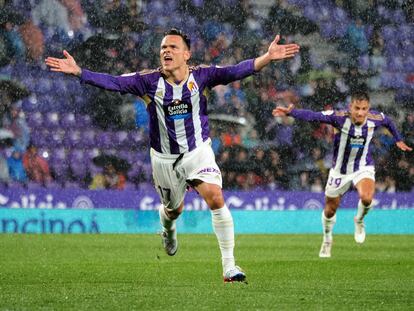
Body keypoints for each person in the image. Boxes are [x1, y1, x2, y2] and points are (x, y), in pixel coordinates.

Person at [45, 28, 300, 282]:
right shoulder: (147, 81)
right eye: (163, 48)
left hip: (197, 151)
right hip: (164, 159)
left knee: (215, 197)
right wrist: (80, 72)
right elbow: (113, 82)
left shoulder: (203, 77)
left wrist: (266, 57)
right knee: (174, 210)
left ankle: (229, 266)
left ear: (186, 54)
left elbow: (235, 71)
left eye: (173, 47)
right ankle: (168, 228)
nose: (166, 51)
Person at [272, 91, 412, 258]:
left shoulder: (375, 119)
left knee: (367, 198)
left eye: (364, 109)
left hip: (363, 167)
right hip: (340, 171)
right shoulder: (338, 118)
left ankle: (359, 220)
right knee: (330, 210)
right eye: (357, 108)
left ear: (369, 109)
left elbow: (388, 121)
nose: (360, 112)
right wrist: (292, 112)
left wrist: (398, 139)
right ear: (350, 107)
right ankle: (327, 238)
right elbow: (313, 116)